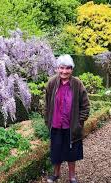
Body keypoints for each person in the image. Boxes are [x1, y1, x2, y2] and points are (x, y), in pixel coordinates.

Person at [44, 55, 90, 183]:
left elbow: (85, 106)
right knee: (56, 151)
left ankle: (72, 176)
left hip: (71, 126)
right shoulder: (52, 83)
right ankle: (56, 174)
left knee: (71, 152)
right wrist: (47, 121)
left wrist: (79, 122)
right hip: (56, 124)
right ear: (57, 68)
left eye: (68, 68)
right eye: (61, 68)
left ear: (72, 69)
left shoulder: (77, 84)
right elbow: (47, 105)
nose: (64, 71)